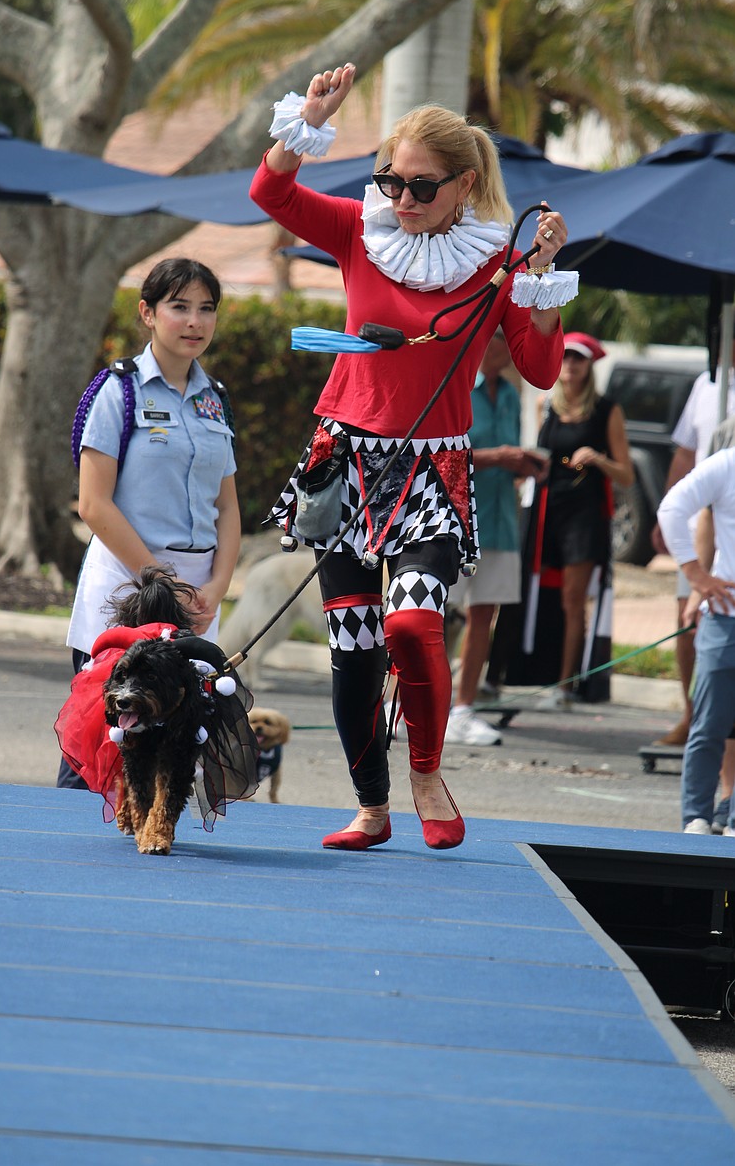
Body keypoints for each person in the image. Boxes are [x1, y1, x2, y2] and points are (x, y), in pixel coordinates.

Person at [249, 62, 572, 850]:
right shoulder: (362, 232)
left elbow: (539, 370)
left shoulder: (495, 263)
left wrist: (541, 281)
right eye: (392, 180)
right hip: (347, 461)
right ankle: (371, 803)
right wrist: (310, 122)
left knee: (414, 621)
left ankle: (426, 769)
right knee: (353, 646)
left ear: (465, 186)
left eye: (423, 187)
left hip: (433, 469)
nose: (403, 199)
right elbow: (271, 196)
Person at [57, 257, 241, 789]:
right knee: (103, 739)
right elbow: (94, 504)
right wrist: (164, 584)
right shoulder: (120, 390)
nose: (195, 322)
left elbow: (227, 507)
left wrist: (217, 586)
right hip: (127, 587)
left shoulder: (216, 400)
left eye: (206, 309)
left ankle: (157, 854)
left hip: (199, 597)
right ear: (147, 313)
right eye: (179, 307)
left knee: (179, 743)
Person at [495, 332, 634, 710]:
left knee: (574, 599)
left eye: (578, 359)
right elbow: (543, 453)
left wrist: (598, 458)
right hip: (546, 508)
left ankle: (565, 685)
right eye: (566, 357)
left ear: (590, 366)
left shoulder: (607, 410)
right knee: (528, 589)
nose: (570, 365)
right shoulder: (547, 404)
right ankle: (511, 674)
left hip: (585, 514)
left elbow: (627, 475)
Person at [443, 330, 549, 746]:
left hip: (501, 520)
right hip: (453, 520)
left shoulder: (508, 393)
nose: (503, 348)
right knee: (429, 618)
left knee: (483, 619)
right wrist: (500, 457)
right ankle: (404, 706)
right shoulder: (456, 385)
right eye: (498, 338)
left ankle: (463, 709)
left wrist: (522, 464)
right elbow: (442, 453)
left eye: (507, 340)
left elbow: (503, 453)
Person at [649, 349, 735, 747]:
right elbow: (685, 452)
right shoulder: (707, 383)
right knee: (689, 623)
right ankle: (691, 714)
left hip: (720, 525)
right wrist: (695, 570)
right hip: (705, 520)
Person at [657, 445, 735, 836]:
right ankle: (696, 819)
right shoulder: (728, 463)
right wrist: (694, 574)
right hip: (725, 617)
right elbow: (672, 509)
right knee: (708, 724)